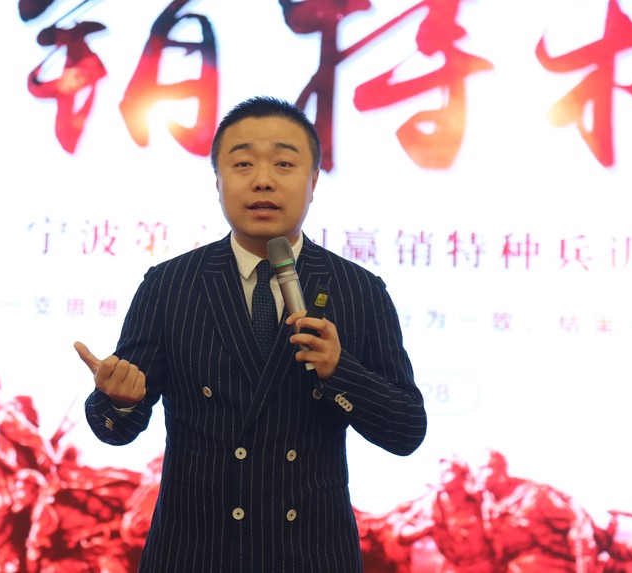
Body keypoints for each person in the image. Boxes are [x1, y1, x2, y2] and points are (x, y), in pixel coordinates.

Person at [74, 95, 427, 572]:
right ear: (218, 182)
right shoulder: (170, 284)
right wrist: (118, 400)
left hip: (310, 556)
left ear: (313, 182)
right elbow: (117, 429)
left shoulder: (358, 289)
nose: (263, 180)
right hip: (196, 555)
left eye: (284, 163)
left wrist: (339, 371)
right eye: (242, 163)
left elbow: (406, 430)